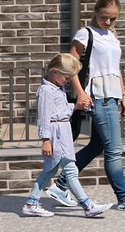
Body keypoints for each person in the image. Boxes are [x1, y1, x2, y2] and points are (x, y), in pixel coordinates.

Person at [56, 0, 125, 213]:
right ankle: (124, 197)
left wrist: (124, 96)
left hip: (112, 96)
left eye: (112, 19)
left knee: (97, 145)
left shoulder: (111, 37)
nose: (107, 22)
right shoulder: (86, 34)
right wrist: (79, 94)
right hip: (97, 96)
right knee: (114, 150)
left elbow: (115, 69)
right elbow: (71, 67)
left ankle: (60, 185)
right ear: (96, 12)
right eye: (104, 17)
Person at [25, 53, 105, 218]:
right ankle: (87, 205)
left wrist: (75, 106)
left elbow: (59, 110)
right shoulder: (46, 91)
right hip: (57, 134)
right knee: (70, 170)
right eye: (66, 77)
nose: (68, 81)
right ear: (55, 71)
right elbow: (44, 117)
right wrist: (46, 140)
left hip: (62, 132)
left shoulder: (56, 88)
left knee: (49, 171)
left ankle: (31, 203)